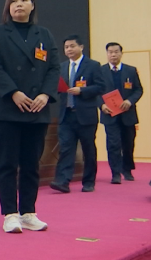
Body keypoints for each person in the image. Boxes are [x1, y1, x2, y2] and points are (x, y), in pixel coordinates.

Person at [0, 0, 59, 233]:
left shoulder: (44, 34)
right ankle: (10, 214)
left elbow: (54, 68)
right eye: (14, 0)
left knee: (31, 164)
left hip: (37, 108)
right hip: (7, 108)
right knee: (7, 163)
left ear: (32, 5)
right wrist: (13, 92)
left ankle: (28, 212)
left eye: (24, 0)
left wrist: (45, 94)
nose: (19, 4)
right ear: (8, 6)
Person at [50, 35, 103, 194]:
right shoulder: (61, 67)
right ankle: (62, 181)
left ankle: (88, 182)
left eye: (72, 46)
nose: (69, 50)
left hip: (86, 115)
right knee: (66, 149)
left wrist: (82, 90)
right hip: (66, 115)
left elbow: (101, 87)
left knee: (88, 150)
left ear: (81, 47)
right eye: (66, 47)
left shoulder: (93, 65)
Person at [99, 42, 143, 183]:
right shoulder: (100, 71)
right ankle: (115, 173)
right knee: (113, 144)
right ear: (107, 54)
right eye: (110, 52)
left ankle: (127, 169)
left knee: (128, 143)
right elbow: (96, 91)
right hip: (110, 114)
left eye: (116, 52)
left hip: (127, 114)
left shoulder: (131, 70)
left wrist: (130, 101)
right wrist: (101, 105)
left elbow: (138, 89)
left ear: (121, 53)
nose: (113, 55)